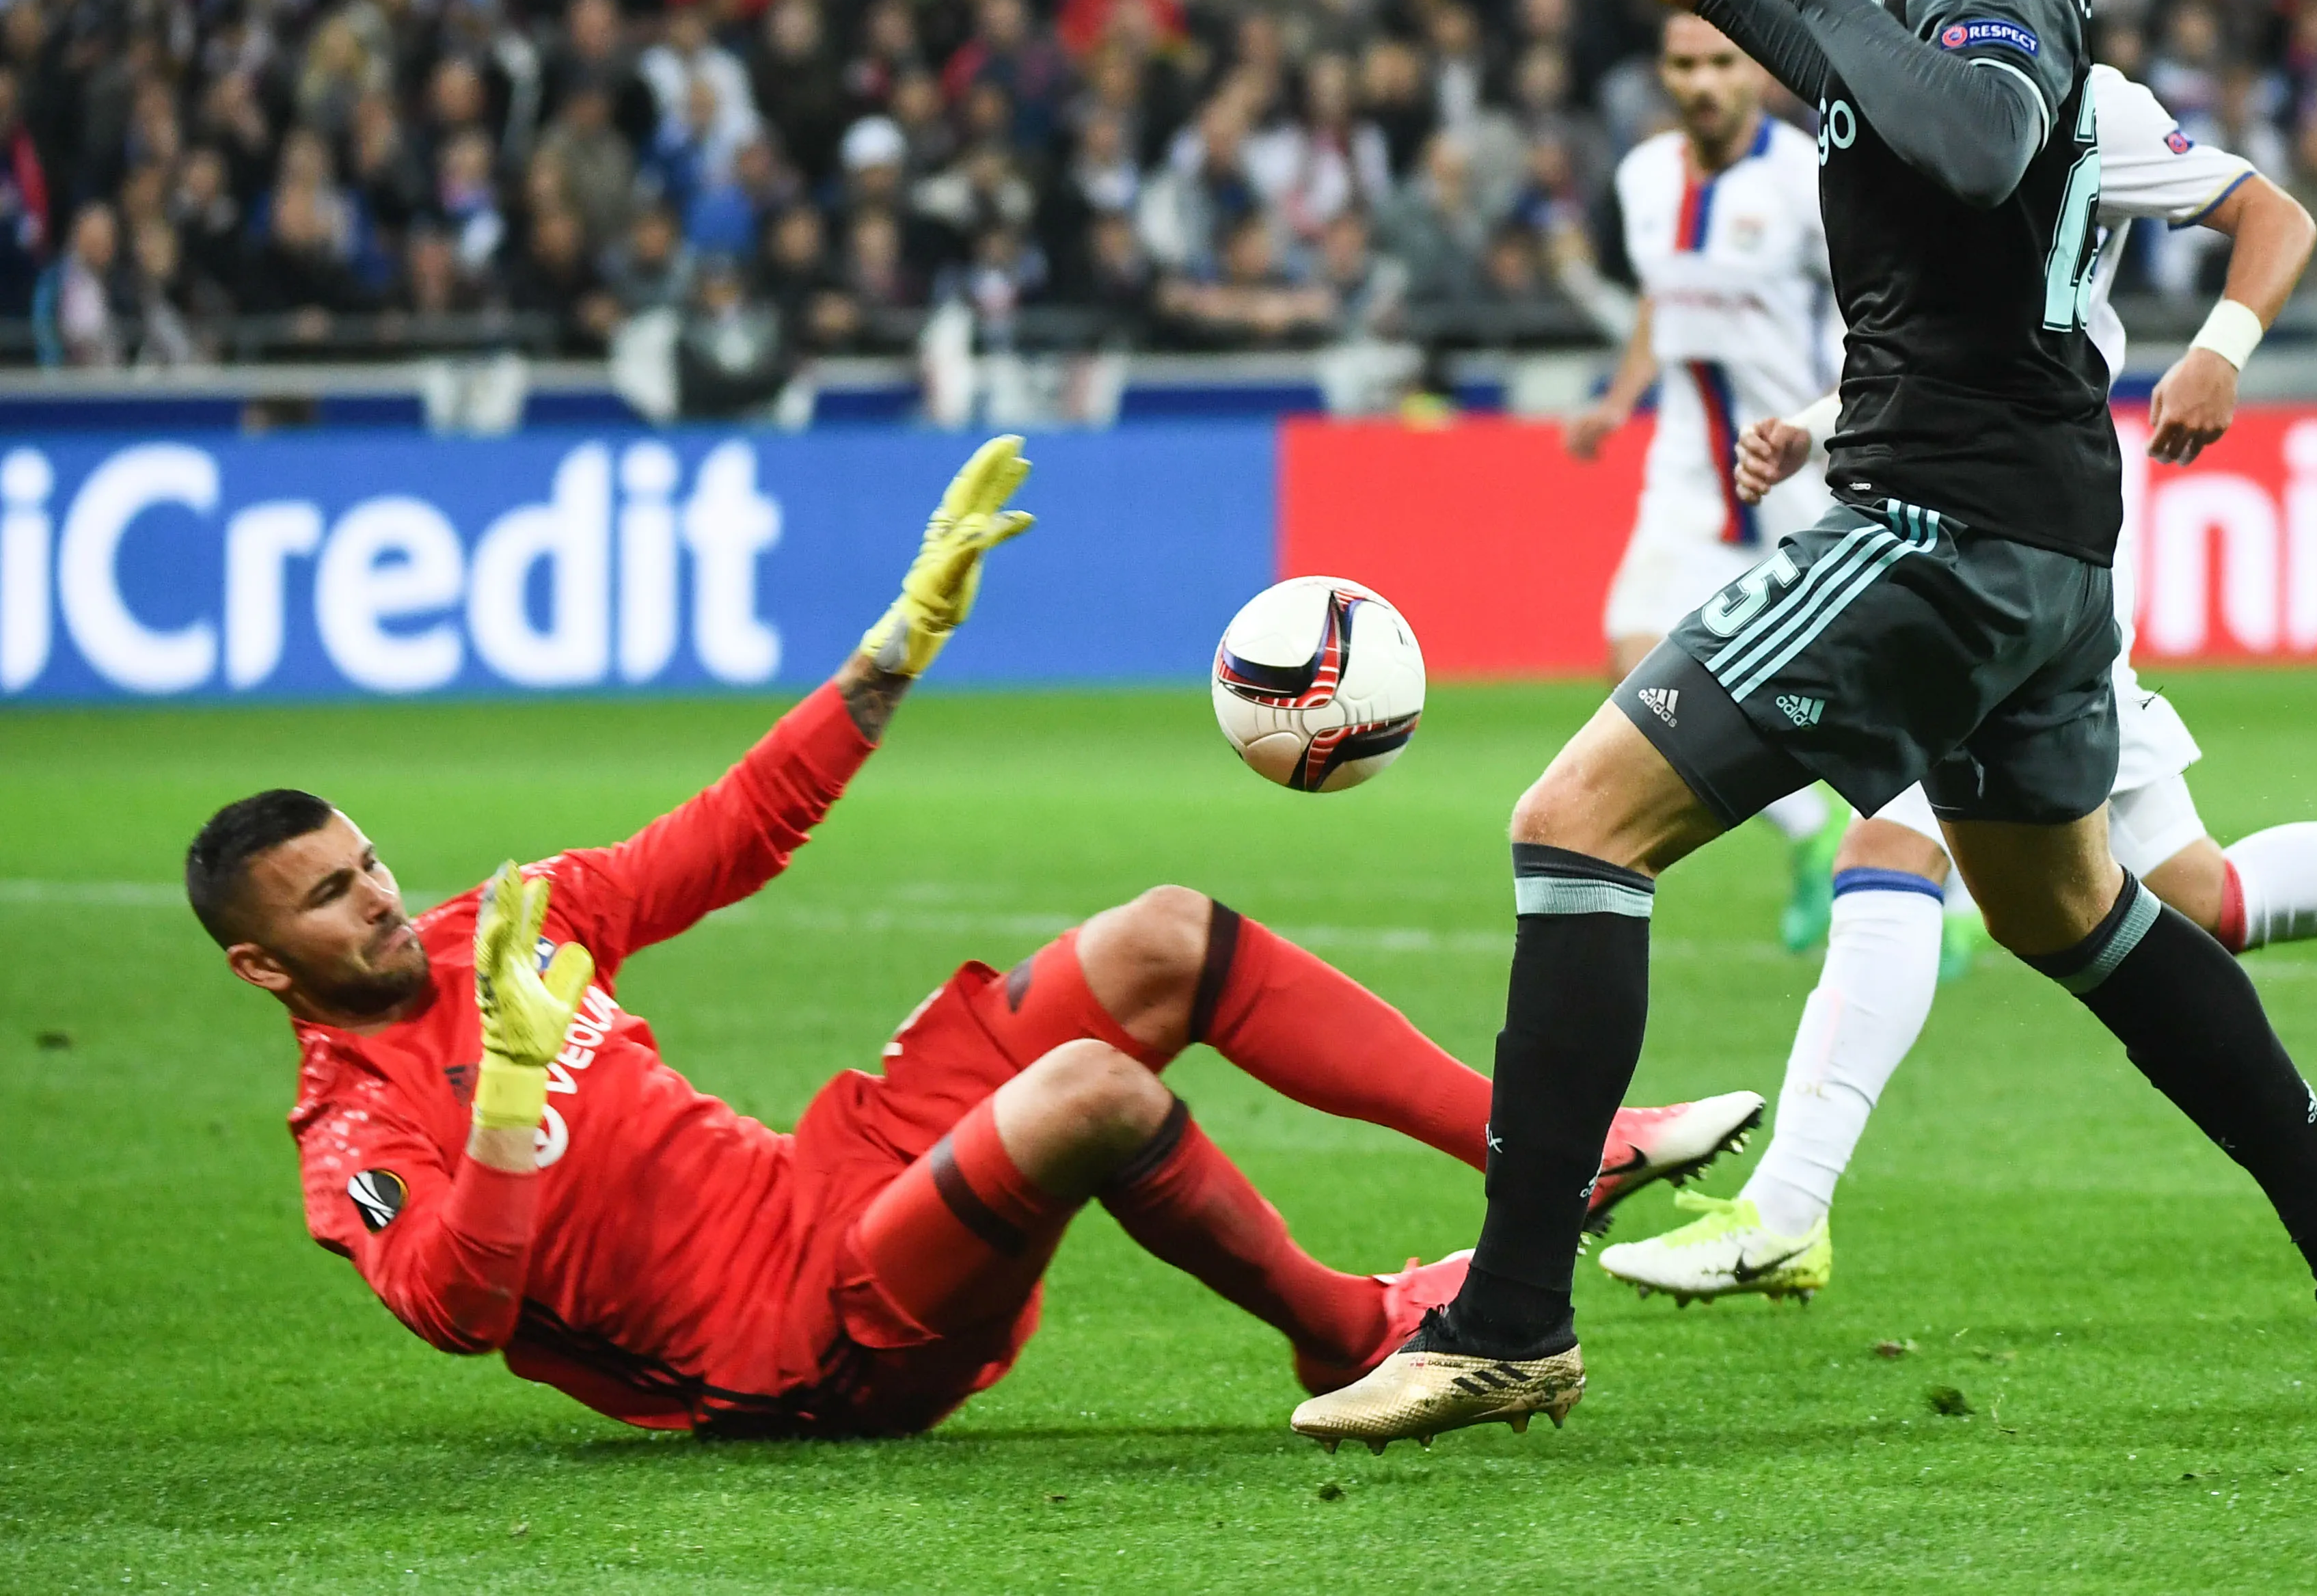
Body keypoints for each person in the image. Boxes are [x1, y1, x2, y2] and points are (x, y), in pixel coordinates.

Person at [1298, 0, 2317, 1453]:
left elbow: (1980, 136)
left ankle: (1511, 1319)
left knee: (1573, 823)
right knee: (2068, 903)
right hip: (2038, 537)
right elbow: (1920, 123)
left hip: (1936, 517)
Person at [193, 439, 1759, 1438]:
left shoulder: (497, 931)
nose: (383, 898)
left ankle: (1552, 1149)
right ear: (264, 970)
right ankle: (1351, 1330)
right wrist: (509, 1118)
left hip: (829, 1183)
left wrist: (897, 644)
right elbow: (458, 1314)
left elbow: (728, 835)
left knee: (1160, 937)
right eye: (332, 899)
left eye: (368, 861)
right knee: (1090, 1093)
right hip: (800, 1344)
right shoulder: (356, 1132)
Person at [1599, 64, 2317, 1310]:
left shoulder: (2077, 104)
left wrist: (2218, 349)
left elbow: (2275, 216)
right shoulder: (1913, 121)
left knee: (1891, 842)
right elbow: (1947, 345)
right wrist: (1815, 420)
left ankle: (1787, 1207)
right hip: (1953, 518)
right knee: (2194, 897)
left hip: (2025, 542)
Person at [1564, 9, 1845, 947]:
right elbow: (1661, 295)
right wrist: (1619, 396)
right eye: (1684, 65)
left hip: (1803, 461)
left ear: (1754, 72)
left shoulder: (1809, 177)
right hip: (1689, 462)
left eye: (1721, 63)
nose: (1702, 83)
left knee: (1857, 688)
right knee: (1631, 660)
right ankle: (1811, 836)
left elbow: (1873, 303)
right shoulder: (1643, 176)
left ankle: (1942, 888)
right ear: (1663, 73)